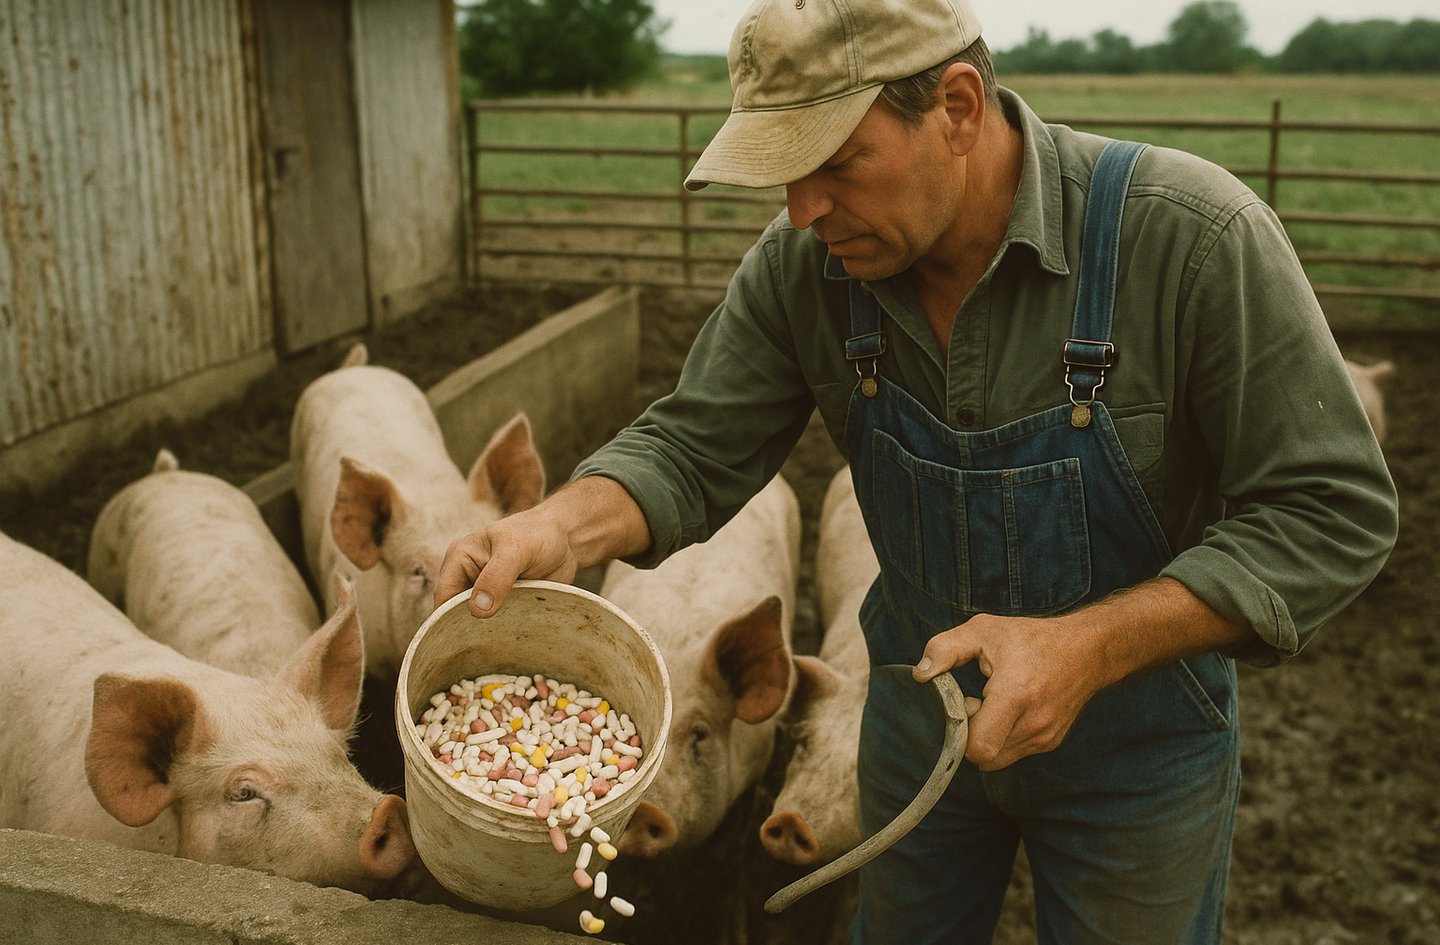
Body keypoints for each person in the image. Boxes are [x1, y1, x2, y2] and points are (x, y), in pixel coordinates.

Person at [435, 0, 1399, 942]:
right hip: (913, 712)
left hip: (1137, 742)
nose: (802, 210)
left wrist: (1090, 647)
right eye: (783, 172)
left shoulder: (1191, 239)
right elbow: (692, 443)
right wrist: (557, 526)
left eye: (834, 162)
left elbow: (1330, 508)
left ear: (959, 107)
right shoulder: (805, 266)